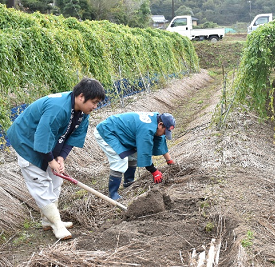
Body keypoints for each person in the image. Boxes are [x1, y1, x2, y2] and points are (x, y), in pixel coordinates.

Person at [7, 78, 106, 240]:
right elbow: (43, 135)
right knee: (40, 183)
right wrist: (50, 160)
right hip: (27, 141)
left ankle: (49, 220)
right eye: (94, 102)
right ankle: (57, 224)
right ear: (81, 97)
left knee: (56, 180)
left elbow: (74, 136)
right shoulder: (58, 108)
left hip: (47, 144)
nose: (95, 106)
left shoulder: (82, 112)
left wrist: (60, 157)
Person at [94, 112, 176, 200]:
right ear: (160, 124)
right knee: (120, 160)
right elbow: (144, 151)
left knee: (133, 154)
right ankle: (113, 194)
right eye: (165, 131)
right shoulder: (147, 129)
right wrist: (154, 171)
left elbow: (160, 140)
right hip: (107, 131)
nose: (164, 134)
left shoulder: (157, 120)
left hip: (120, 132)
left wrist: (169, 160)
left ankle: (128, 182)